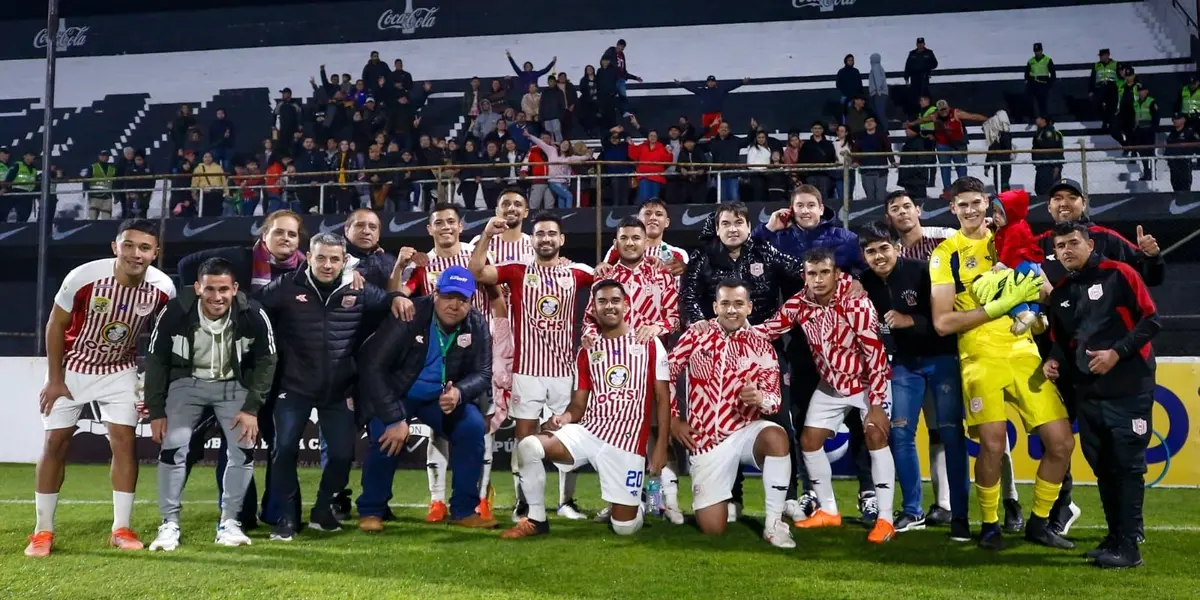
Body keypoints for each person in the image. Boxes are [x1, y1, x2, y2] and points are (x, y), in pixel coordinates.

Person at [930, 176, 1076, 551]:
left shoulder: (1010, 237)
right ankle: (990, 524)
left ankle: (1039, 523)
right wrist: (996, 308)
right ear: (953, 208)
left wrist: (1039, 306)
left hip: (1024, 352)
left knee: (1061, 443)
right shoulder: (946, 253)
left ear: (987, 203)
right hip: (979, 356)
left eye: (976, 202)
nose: (970, 210)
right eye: (963, 204)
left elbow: (1046, 292)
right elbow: (942, 322)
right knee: (993, 446)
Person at [25, 219, 176, 557]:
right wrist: (54, 379)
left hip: (120, 369)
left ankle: (121, 528)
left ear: (155, 252)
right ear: (115, 247)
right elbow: (55, 324)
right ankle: (42, 531)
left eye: (144, 248)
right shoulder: (83, 277)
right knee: (55, 443)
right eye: (128, 245)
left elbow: (163, 341)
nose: (135, 254)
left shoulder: (163, 288)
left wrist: (153, 387)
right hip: (73, 367)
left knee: (124, 443)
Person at [1034, 178, 1164, 536]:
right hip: (1066, 365)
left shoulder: (1109, 244)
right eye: (1056, 198)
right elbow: (1060, 327)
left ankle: (1128, 533)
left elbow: (1149, 293)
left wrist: (1151, 257)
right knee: (1067, 445)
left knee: (1123, 456)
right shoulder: (1037, 245)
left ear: (1084, 203)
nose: (1063, 203)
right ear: (1048, 207)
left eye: (1071, 197)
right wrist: (1052, 356)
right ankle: (1063, 508)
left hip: (1121, 371)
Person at [884, 191, 1021, 527]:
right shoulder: (892, 253)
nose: (902, 213)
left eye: (907, 206)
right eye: (895, 209)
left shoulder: (943, 237)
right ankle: (943, 503)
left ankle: (1010, 499)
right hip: (931, 351)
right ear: (889, 217)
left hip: (968, 343)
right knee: (938, 430)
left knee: (988, 427)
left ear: (919, 209)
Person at [503, 280, 671, 539]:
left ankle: (637, 503)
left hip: (626, 443)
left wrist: (660, 447)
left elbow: (663, 397)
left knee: (624, 528)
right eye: (602, 301)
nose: (609, 306)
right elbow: (579, 405)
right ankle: (536, 519)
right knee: (528, 446)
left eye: (615, 300)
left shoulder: (649, 344)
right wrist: (564, 417)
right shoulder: (588, 351)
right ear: (594, 308)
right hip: (590, 431)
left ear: (626, 306)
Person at [256, 232, 393, 541]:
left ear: (344, 261)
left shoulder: (358, 288)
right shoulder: (286, 285)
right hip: (293, 385)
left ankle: (322, 510)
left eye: (334, 259)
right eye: (321, 258)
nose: (327, 265)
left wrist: (399, 299)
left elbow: (387, 302)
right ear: (309, 257)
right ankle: (287, 517)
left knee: (343, 455)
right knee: (284, 449)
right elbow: (253, 311)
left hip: (339, 388)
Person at [757, 248, 896, 544]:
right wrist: (725, 329)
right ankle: (829, 510)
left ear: (836, 274)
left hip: (866, 383)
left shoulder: (856, 302)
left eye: (824, 273)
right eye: (812, 274)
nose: (818, 280)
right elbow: (769, 329)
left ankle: (886, 519)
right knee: (809, 440)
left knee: (875, 435)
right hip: (831, 384)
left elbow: (875, 353)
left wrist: (876, 403)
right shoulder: (799, 303)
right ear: (804, 276)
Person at [143, 258, 277, 551]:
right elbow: (156, 361)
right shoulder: (175, 311)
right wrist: (156, 411)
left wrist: (251, 408)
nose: (217, 297)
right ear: (197, 288)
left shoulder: (253, 313)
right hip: (186, 383)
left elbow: (267, 360)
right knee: (173, 446)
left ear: (235, 289)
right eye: (210, 289)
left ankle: (229, 522)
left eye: (224, 289)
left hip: (233, 385)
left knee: (243, 448)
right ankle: (169, 524)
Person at [469, 213, 595, 521]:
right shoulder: (518, 271)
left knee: (567, 437)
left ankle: (566, 502)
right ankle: (523, 502)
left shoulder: (578, 272)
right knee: (524, 438)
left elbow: (613, 280)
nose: (546, 238)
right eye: (540, 234)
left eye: (552, 233)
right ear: (532, 240)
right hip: (526, 371)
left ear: (562, 239)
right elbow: (476, 272)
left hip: (564, 372)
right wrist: (486, 235)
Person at [358, 266, 497, 530]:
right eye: (448, 296)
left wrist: (459, 392)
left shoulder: (476, 323)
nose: (454, 305)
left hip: (438, 398)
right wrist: (394, 418)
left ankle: (464, 510)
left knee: (472, 427)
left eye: (462, 299)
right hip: (397, 392)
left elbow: (483, 372)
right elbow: (373, 366)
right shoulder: (409, 314)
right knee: (387, 435)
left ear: (471, 300)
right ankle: (372, 510)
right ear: (435, 294)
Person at [857, 224, 967, 538]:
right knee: (901, 434)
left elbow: (947, 316)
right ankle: (912, 511)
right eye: (871, 252)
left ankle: (959, 514)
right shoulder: (864, 282)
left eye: (884, 248)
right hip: (904, 365)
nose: (878, 256)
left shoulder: (923, 271)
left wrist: (911, 321)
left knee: (950, 434)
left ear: (897, 248)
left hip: (942, 358)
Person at [667, 279, 794, 548]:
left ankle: (774, 524)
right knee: (713, 528)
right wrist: (674, 420)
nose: (732, 310)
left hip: (743, 432)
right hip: (706, 441)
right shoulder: (696, 335)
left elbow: (774, 401)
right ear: (715, 306)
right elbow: (666, 373)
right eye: (725, 303)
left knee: (776, 436)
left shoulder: (761, 345)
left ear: (749, 307)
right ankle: (719, 500)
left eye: (738, 303)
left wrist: (760, 399)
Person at [394, 203, 493, 524]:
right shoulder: (422, 264)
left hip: (473, 351)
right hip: (433, 355)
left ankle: (480, 498)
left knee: (479, 428)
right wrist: (399, 266)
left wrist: (500, 337)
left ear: (461, 226)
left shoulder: (476, 257)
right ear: (430, 228)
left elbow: (496, 293)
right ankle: (437, 500)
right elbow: (399, 297)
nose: (446, 227)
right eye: (439, 222)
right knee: (439, 433)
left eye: (451, 221)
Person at [584, 217, 683, 524]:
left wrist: (657, 327)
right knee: (617, 436)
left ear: (645, 241)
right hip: (615, 368)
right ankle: (620, 501)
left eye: (635, 238)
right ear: (616, 242)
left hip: (653, 362)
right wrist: (589, 334)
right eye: (624, 238)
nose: (630, 243)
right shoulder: (606, 277)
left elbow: (675, 318)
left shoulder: (661, 274)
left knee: (660, 431)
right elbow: (590, 318)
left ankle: (666, 501)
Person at [992, 190, 1046, 335]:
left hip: (1021, 264)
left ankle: (1022, 314)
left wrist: (1002, 264)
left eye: (1001, 213)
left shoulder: (1013, 229)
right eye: (994, 211)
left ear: (1012, 213)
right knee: (1031, 293)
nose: (996, 216)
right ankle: (1037, 315)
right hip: (1032, 263)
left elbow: (1009, 248)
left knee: (1006, 289)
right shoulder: (1019, 223)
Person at [906, 101, 987, 195]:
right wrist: (911, 124)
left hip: (957, 144)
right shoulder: (934, 116)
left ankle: (963, 189)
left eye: (945, 109)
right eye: (941, 110)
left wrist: (988, 119)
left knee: (961, 167)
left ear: (948, 107)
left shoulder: (956, 113)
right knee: (945, 168)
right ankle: (947, 191)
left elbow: (973, 116)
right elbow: (922, 120)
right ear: (938, 110)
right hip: (943, 145)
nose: (943, 111)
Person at [675, 76, 749, 139]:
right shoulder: (703, 91)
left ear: (715, 82)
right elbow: (692, 88)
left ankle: (717, 142)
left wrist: (741, 82)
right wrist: (681, 84)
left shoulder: (720, 90)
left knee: (717, 131)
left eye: (712, 81)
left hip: (716, 114)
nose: (710, 83)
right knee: (706, 130)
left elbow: (731, 86)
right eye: (709, 81)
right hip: (706, 115)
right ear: (707, 83)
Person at [602, 39, 642, 114]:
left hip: (621, 79)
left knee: (623, 96)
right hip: (612, 80)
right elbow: (604, 61)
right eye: (619, 47)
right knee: (610, 97)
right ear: (617, 45)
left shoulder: (622, 55)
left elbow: (623, 71)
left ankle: (625, 112)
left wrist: (635, 77)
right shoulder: (610, 51)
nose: (620, 49)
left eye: (622, 48)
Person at [1130, 87, 1159, 181]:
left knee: (1150, 152)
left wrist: (1153, 129)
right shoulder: (1135, 103)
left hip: (1149, 131)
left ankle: (1153, 173)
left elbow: (1156, 116)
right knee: (1142, 152)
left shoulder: (1151, 101)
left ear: (1147, 91)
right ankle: (1146, 173)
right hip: (1139, 131)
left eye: (1142, 91)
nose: (1140, 93)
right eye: (1139, 91)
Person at [1165, 112, 1198, 193]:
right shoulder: (1172, 133)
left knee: (1185, 186)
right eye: (1174, 119)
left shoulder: (1189, 132)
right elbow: (1168, 147)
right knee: (1175, 185)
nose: (1175, 121)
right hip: (1173, 163)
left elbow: (1196, 144)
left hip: (1184, 163)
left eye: (1178, 119)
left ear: (1183, 120)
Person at [2, 149, 38, 223]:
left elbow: (34, 181)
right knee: (20, 213)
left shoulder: (34, 169)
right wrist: (4, 189)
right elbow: (9, 177)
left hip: (28, 194)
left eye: (33, 156)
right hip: (17, 192)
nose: (32, 157)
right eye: (30, 155)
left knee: (26, 215)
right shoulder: (18, 165)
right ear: (24, 156)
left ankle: (21, 227)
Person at [1032, 116, 1065, 194]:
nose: (1036, 120)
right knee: (1040, 188)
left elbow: (1052, 148)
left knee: (1048, 189)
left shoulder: (1048, 132)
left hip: (1048, 165)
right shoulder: (1040, 132)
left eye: (1038, 118)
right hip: (1042, 165)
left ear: (1043, 120)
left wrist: (1056, 166)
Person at [1025, 43, 1056, 121]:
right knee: (1032, 102)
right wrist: (1028, 83)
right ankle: (1034, 118)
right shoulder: (1031, 61)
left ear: (1042, 50)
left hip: (1043, 84)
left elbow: (1053, 74)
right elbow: (1027, 73)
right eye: (1035, 51)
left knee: (1043, 103)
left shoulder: (1047, 60)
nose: (1037, 53)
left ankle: (1044, 119)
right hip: (1033, 85)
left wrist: (1049, 85)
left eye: (1038, 51)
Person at [1090, 49, 1120, 129]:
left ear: (1107, 55)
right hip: (1100, 87)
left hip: (1112, 87)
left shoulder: (1115, 64)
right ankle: (1105, 120)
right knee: (1096, 104)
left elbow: (1120, 77)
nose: (1100, 57)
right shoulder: (1096, 65)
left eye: (1101, 56)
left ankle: (1108, 122)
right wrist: (1091, 90)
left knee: (1111, 105)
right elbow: (1092, 78)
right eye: (1100, 56)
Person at [904, 37, 938, 109]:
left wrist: (927, 67)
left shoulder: (929, 53)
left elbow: (935, 64)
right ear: (916, 45)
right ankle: (916, 109)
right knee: (915, 94)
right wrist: (906, 77)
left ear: (924, 44)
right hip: (914, 77)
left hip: (924, 76)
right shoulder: (912, 53)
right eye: (919, 44)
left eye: (921, 43)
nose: (920, 45)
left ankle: (928, 108)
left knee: (925, 93)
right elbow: (907, 66)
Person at [84, 150, 117, 220]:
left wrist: (116, 196)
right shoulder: (93, 167)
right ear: (99, 157)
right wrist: (86, 193)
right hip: (94, 197)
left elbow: (115, 183)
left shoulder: (112, 168)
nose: (105, 157)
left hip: (107, 197)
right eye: (103, 156)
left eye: (106, 156)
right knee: (92, 218)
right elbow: (86, 181)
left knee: (106, 219)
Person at [868, 53, 890, 124]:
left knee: (880, 113)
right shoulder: (879, 67)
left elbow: (878, 80)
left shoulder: (875, 67)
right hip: (881, 93)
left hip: (879, 94)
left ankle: (884, 128)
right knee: (880, 113)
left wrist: (878, 91)